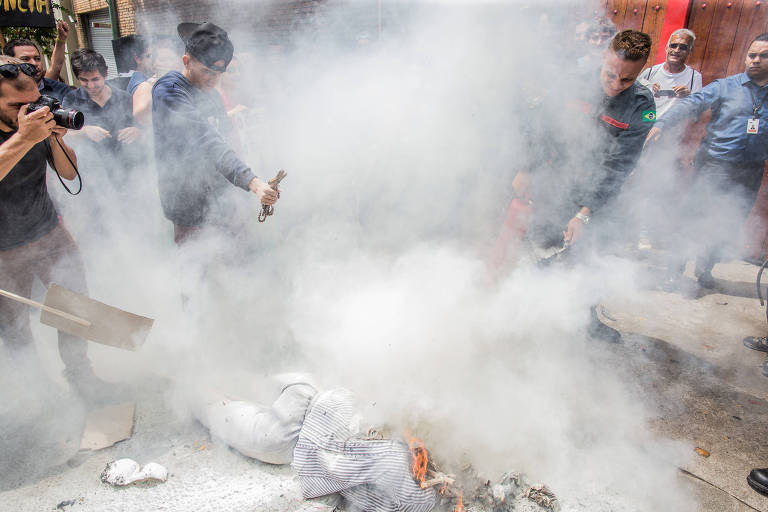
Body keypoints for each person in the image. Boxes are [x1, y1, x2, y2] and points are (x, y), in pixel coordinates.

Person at [491, 30, 655, 342]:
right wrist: (527, 167)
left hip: (600, 192)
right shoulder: (574, 81)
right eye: (611, 75)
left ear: (641, 71)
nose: (616, 85)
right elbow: (542, 126)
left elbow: (620, 164)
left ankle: (585, 318)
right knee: (540, 245)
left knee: (593, 253)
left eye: (626, 80)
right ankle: (529, 309)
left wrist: (584, 213)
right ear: (605, 57)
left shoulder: (641, 105)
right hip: (558, 181)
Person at [0, 56, 121, 406]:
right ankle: (39, 396)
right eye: (16, 105)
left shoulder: (36, 121)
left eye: (34, 100)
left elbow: (69, 173)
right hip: (4, 249)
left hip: (47, 231)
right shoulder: (24, 130)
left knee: (73, 308)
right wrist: (24, 137)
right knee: (15, 327)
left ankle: (82, 378)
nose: (28, 110)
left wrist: (52, 137)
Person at [190, 374, 437, 512]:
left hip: (308, 396)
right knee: (219, 407)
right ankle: (191, 384)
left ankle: (190, 381)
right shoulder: (415, 498)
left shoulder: (430, 440)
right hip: (295, 430)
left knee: (227, 392)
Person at [646, 33, 768, 289]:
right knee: (693, 216)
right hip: (715, 166)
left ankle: (705, 270)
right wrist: (662, 124)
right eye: (752, 55)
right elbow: (692, 103)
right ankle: (673, 270)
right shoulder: (726, 86)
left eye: (763, 56)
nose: (755, 60)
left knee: (729, 221)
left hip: (751, 170)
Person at [152, 22, 278, 245]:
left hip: (220, 191)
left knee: (238, 250)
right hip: (185, 197)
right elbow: (205, 139)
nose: (213, 80)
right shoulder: (169, 90)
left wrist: (253, 183)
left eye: (218, 73)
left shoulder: (211, 95)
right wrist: (252, 182)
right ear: (186, 61)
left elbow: (228, 139)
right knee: (194, 261)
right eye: (207, 72)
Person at [63, 49, 142, 188]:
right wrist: (85, 131)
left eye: (95, 79)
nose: (91, 85)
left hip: (127, 172)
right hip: (92, 176)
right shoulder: (71, 100)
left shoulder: (124, 97)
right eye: (84, 80)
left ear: (105, 74)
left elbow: (143, 130)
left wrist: (136, 131)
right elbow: (62, 136)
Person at [637, 29, 703, 119]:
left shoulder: (694, 77)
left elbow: (697, 111)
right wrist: (647, 88)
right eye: (673, 45)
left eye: (683, 47)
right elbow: (633, 98)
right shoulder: (650, 72)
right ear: (667, 48)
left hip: (673, 129)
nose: (677, 50)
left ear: (689, 51)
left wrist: (689, 96)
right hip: (647, 124)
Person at [3, 21, 72, 101]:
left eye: (37, 58)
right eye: (25, 59)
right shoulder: (3, 94)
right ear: (10, 63)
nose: (34, 63)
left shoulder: (61, 90)